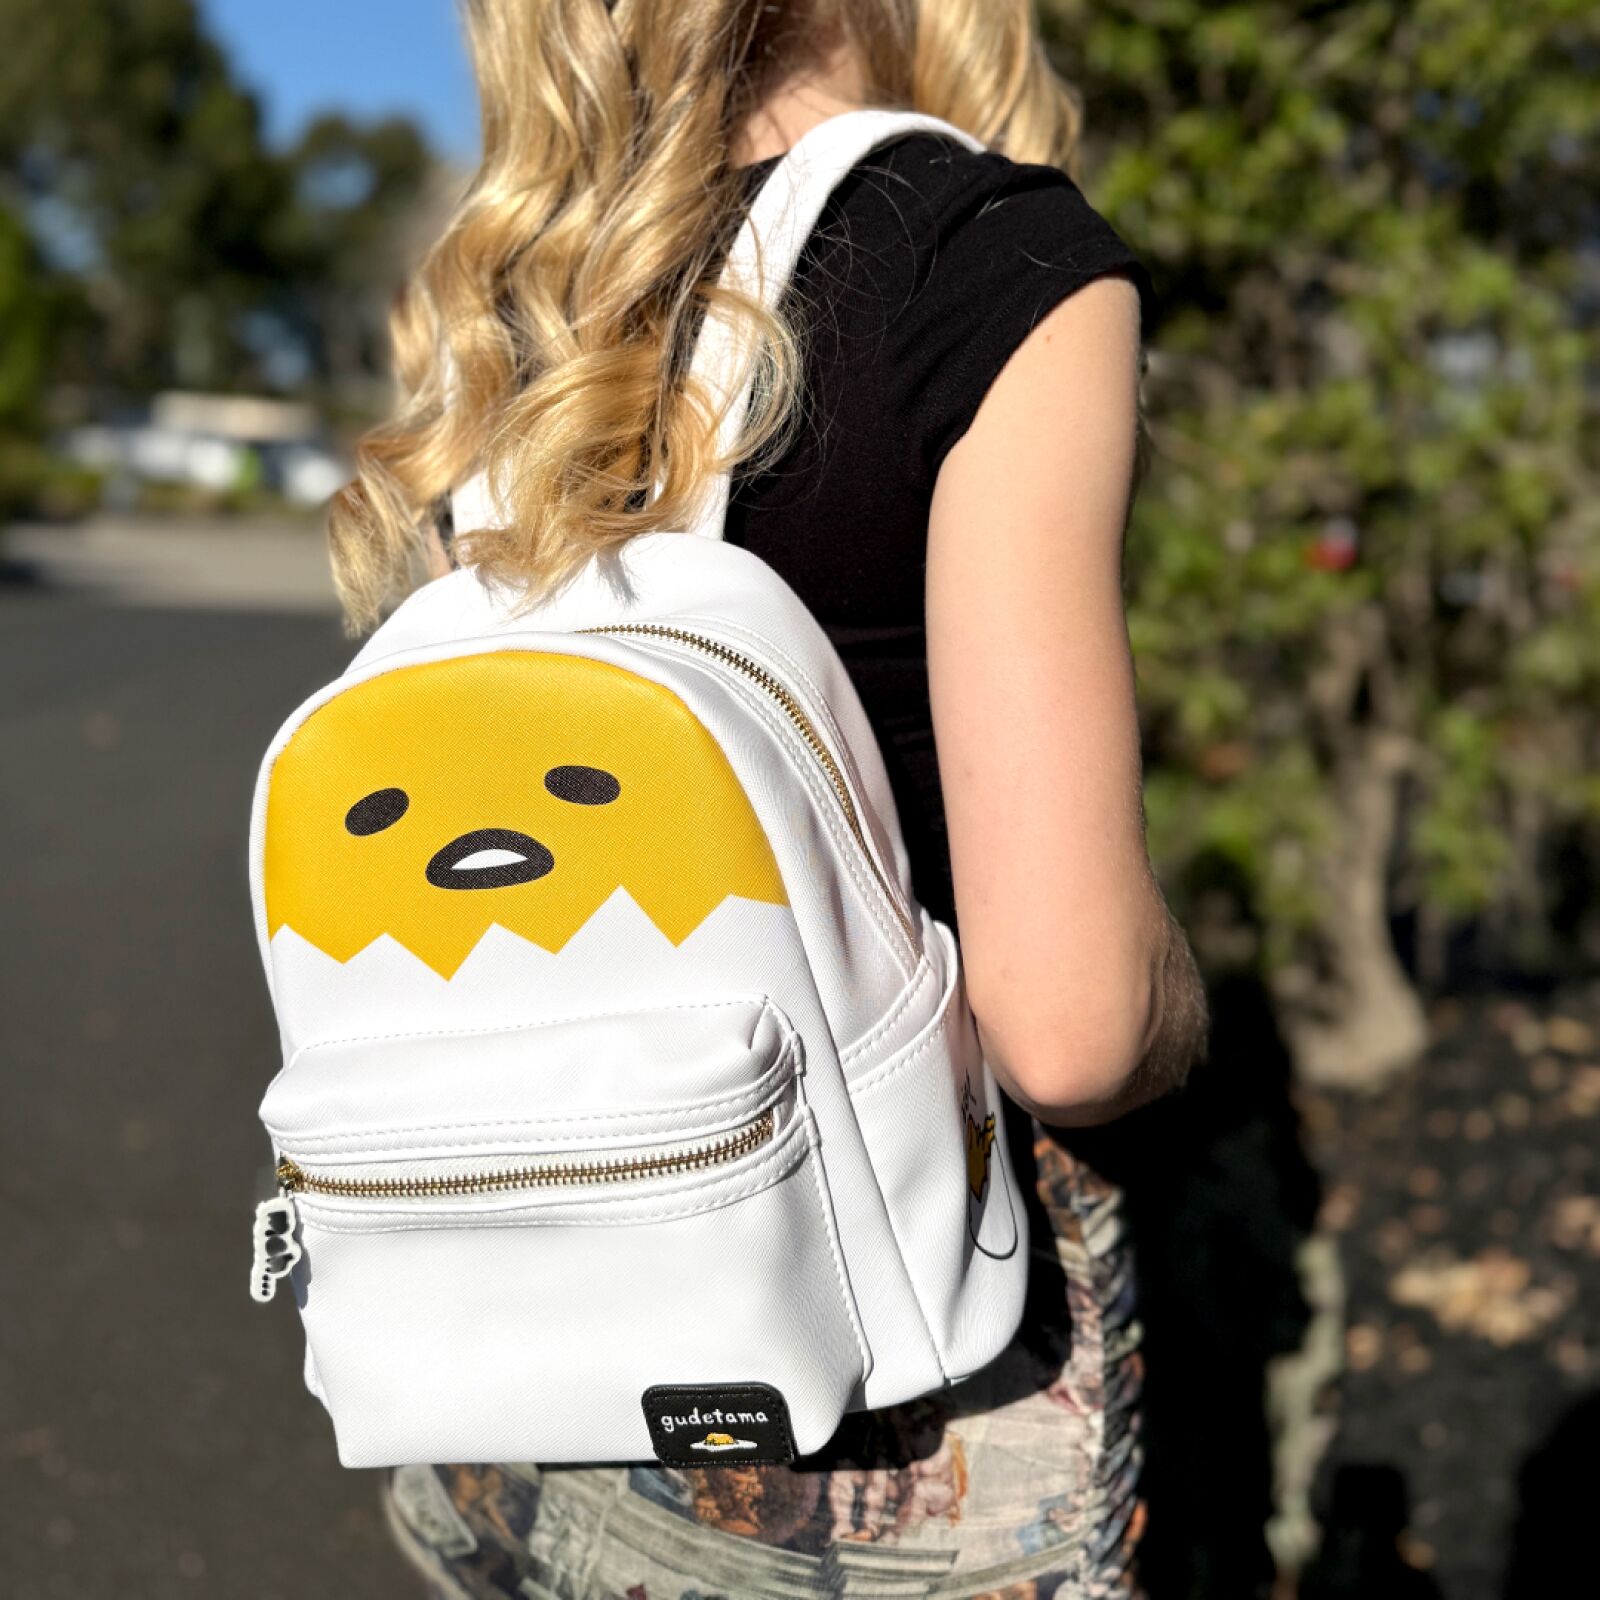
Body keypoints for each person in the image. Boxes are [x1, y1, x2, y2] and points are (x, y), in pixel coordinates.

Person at [330, 2, 1209, 1594]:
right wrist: (1185, 1006)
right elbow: (1072, 1031)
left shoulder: (513, 308)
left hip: (503, 1376)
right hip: (890, 1393)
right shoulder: (986, 264)